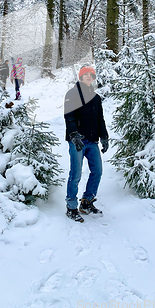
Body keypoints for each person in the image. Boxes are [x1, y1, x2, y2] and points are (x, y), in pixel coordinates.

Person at [64, 64, 109, 222]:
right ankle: (71, 207)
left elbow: (100, 119)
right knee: (75, 174)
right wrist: (74, 135)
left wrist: (104, 136)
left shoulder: (96, 98)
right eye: (86, 74)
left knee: (97, 171)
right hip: (77, 140)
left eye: (91, 74)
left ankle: (86, 201)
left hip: (92, 141)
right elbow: (69, 116)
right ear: (81, 76)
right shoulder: (72, 94)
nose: (89, 76)